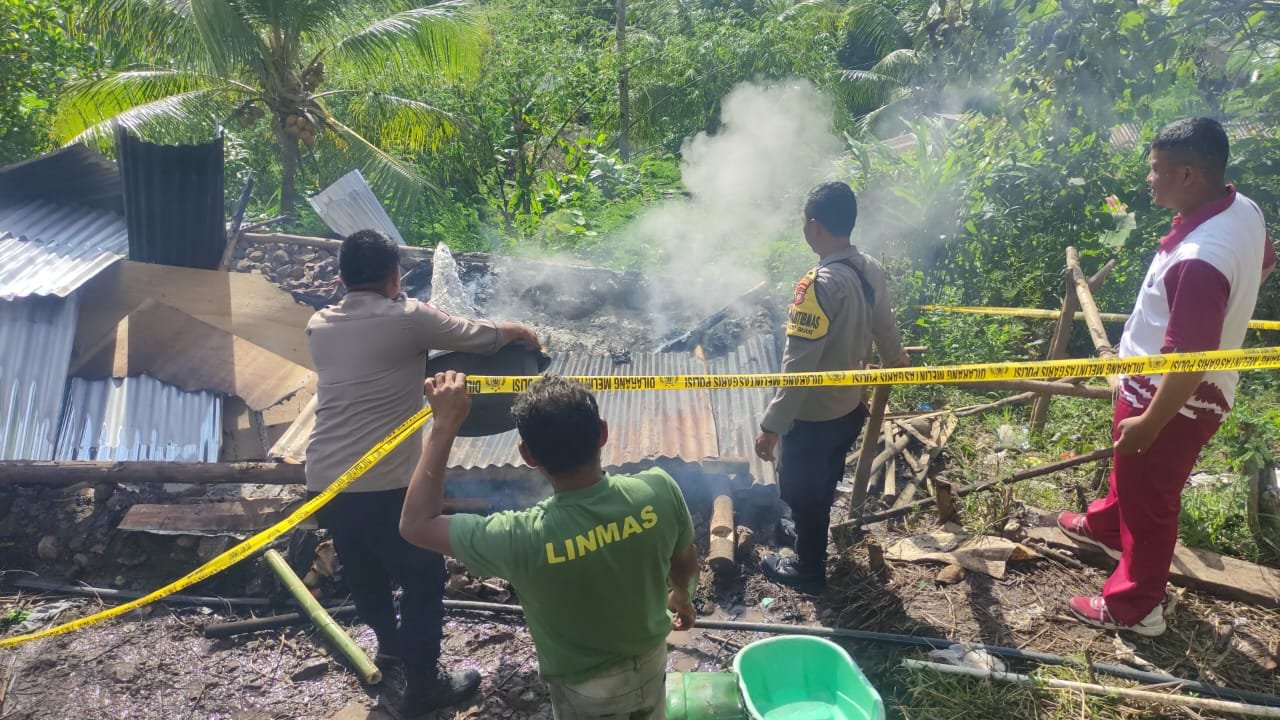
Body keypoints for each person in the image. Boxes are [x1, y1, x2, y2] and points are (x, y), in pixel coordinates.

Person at [305, 229, 540, 716]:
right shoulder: (408, 319)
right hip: (386, 481)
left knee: (364, 569)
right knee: (422, 575)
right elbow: (480, 336)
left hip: (327, 479)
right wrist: (520, 330)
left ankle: (389, 649)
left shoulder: (318, 325)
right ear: (395, 277)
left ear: (340, 279)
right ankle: (425, 684)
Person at [1057, 117, 1274, 636]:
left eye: (1156, 170)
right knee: (1131, 472)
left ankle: (1136, 607)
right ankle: (1109, 526)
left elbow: (1189, 361)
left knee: (1152, 497)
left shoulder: (1202, 260)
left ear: (1189, 175)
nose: (1148, 179)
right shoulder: (1239, 208)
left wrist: (1152, 422)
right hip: (1155, 382)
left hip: (1177, 397)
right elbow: (1265, 262)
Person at [400, 372, 699, 720]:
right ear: (602, 432)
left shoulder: (520, 537)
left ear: (528, 455)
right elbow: (685, 560)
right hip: (650, 660)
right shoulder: (659, 489)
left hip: (585, 689)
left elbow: (415, 524)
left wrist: (445, 424)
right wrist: (682, 596)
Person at [754, 181, 910, 594]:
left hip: (814, 413)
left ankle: (808, 569)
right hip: (849, 406)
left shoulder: (817, 285)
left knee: (806, 486)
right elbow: (885, 326)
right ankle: (807, 530)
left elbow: (798, 366)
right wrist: (895, 359)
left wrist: (772, 425)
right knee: (819, 480)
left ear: (814, 227)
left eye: (805, 223)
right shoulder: (869, 267)